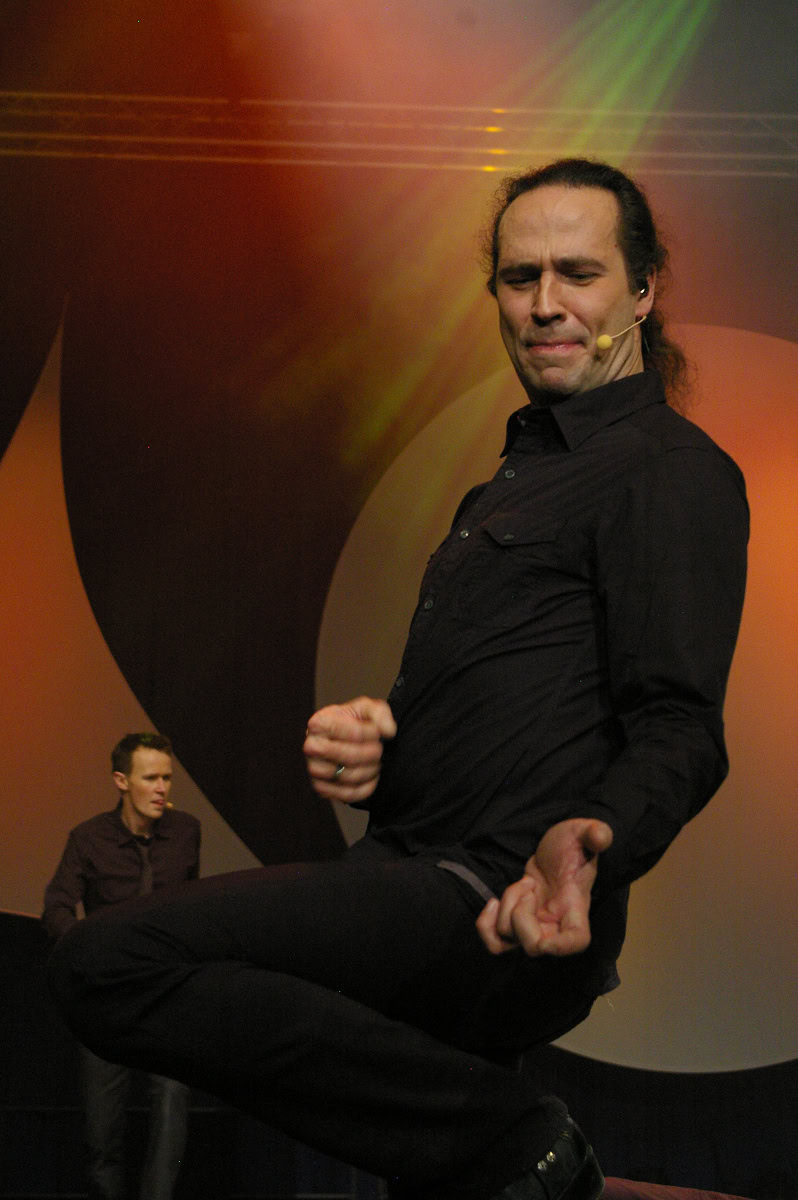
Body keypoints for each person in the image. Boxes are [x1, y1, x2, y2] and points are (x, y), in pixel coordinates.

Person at [48, 160, 748, 1200]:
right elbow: (521, 701)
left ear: (643, 290)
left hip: (490, 895)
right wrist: (387, 746)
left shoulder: (668, 469)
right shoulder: (512, 481)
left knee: (108, 962)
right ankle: (506, 1155)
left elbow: (680, 726)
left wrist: (593, 840)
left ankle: (517, 1139)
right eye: (518, 277)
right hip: (414, 870)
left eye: (578, 273)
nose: (544, 303)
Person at [43, 732, 200, 1200]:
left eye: (167, 778)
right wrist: (88, 954)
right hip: (106, 997)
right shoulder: (89, 838)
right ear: (121, 781)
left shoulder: (186, 831)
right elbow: (56, 906)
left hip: (165, 994)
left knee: (173, 1095)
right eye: (150, 778)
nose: (162, 788)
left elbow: (193, 901)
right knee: (101, 1134)